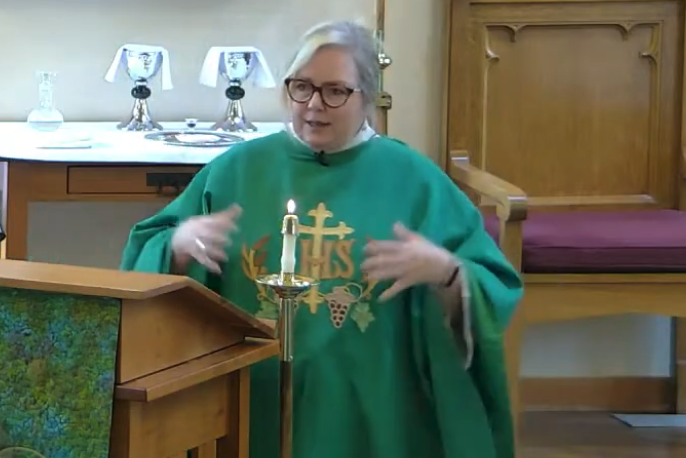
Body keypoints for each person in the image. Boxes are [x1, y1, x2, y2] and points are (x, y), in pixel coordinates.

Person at [120, 20, 523, 458]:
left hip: (373, 403)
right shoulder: (237, 168)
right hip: (252, 395)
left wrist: (446, 273)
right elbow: (149, 254)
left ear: (367, 97)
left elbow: (492, 284)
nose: (314, 105)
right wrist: (178, 247)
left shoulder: (415, 181)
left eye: (335, 91)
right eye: (302, 87)